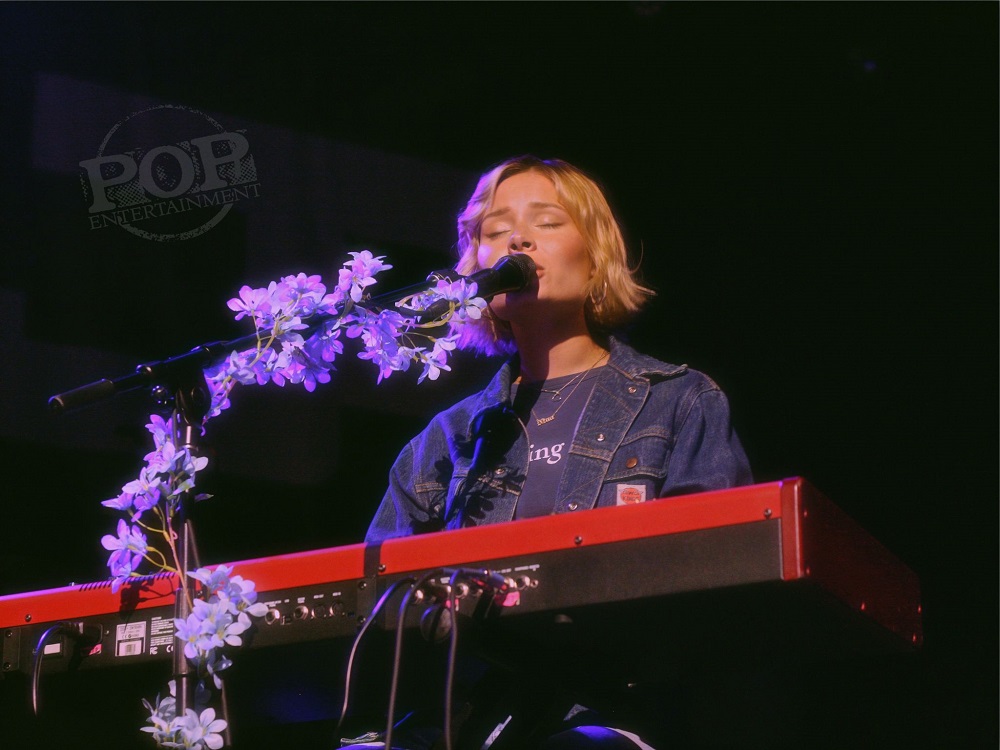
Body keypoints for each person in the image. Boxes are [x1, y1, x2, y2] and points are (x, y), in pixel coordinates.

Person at [361, 155, 753, 749]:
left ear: (596, 255)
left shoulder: (679, 401)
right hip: (477, 719)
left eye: (545, 222)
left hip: (624, 712)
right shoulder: (445, 439)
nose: (517, 240)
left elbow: (713, 586)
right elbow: (377, 600)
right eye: (495, 231)